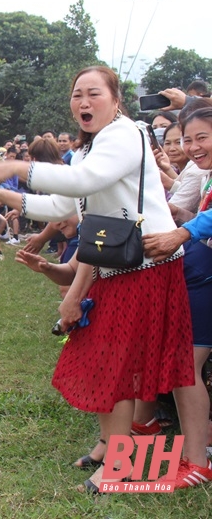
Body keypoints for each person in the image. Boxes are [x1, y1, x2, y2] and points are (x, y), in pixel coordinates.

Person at [0, 66, 194, 493]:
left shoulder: (124, 134)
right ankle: (111, 446)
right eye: (76, 95)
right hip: (112, 264)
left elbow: (85, 182)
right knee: (103, 359)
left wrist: (14, 165)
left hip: (144, 266)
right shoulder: (90, 148)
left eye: (93, 93)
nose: (83, 102)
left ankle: (120, 466)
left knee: (118, 365)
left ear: (115, 98)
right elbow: (60, 205)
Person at [140, 107, 212, 489]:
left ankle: (196, 460)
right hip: (201, 279)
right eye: (188, 138)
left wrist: (181, 234)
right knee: (186, 367)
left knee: (187, 368)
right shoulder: (205, 175)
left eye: (202, 137)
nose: (192, 147)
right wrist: (179, 215)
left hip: (205, 281)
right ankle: (194, 456)